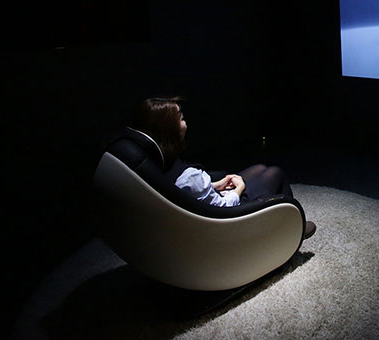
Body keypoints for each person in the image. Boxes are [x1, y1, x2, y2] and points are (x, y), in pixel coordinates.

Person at [130, 96, 316, 239]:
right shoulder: (189, 176)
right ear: (169, 130)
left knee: (260, 168)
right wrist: (239, 189)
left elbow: (189, 193)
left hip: (210, 202)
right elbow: (222, 210)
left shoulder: (157, 163)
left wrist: (215, 185)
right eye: (181, 118)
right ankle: (294, 232)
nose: (185, 122)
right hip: (229, 218)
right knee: (274, 173)